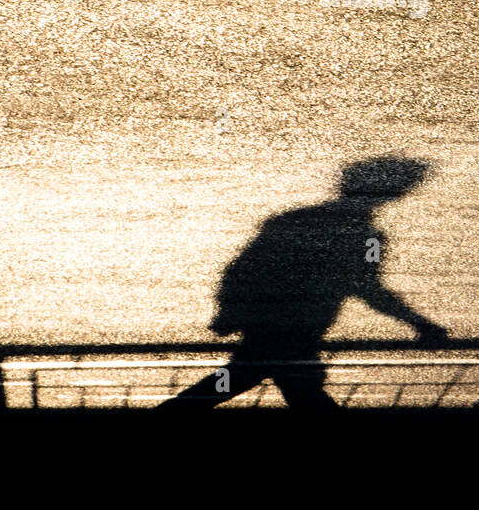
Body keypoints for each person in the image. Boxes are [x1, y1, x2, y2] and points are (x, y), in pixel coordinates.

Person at [162, 156, 448, 408]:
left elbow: (243, 268)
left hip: (266, 321)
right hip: (298, 328)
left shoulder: (293, 220)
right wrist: (417, 322)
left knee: (254, 379)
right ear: (394, 194)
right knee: (289, 386)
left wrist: (230, 310)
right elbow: (365, 286)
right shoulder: (367, 236)